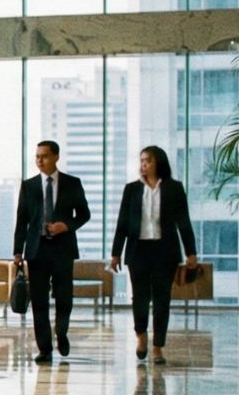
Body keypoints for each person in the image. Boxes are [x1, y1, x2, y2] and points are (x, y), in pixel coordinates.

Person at [110, 146, 197, 364]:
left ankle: (158, 347)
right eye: (141, 161)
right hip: (138, 251)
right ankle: (141, 336)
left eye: (147, 160)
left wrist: (191, 253)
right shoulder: (131, 189)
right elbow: (122, 223)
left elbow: (183, 223)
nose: (143, 165)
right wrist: (115, 253)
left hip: (164, 251)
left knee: (161, 300)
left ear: (158, 162)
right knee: (139, 297)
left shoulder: (174, 188)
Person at [13, 140, 91, 363]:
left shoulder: (72, 183)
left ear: (56, 157)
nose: (39, 160)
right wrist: (18, 252)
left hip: (63, 249)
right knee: (39, 301)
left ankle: (62, 333)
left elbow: (84, 214)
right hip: (36, 251)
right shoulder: (29, 186)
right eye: (37, 156)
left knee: (64, 297)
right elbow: (22, 221)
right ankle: (45, 348)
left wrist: (65, 226)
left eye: (44, 156)